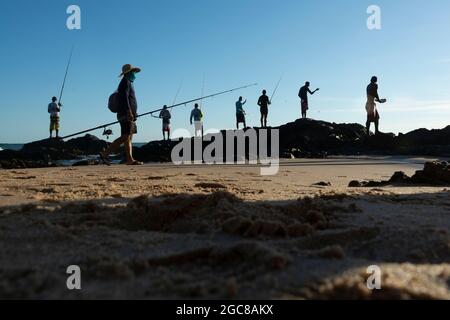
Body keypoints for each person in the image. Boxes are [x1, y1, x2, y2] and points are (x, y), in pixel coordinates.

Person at [100, 64, 143, 166]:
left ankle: (129, 159)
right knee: (125, 136)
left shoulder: (128, 82)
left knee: (128, 137)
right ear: (128, 73)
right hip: (125, 114)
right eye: (133, 72)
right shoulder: (125, 82)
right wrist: (129, 111)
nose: (134, 74)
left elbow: (128, 99)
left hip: (128, 114)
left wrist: (133, 112)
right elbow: (124, 98)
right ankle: (105, 153)